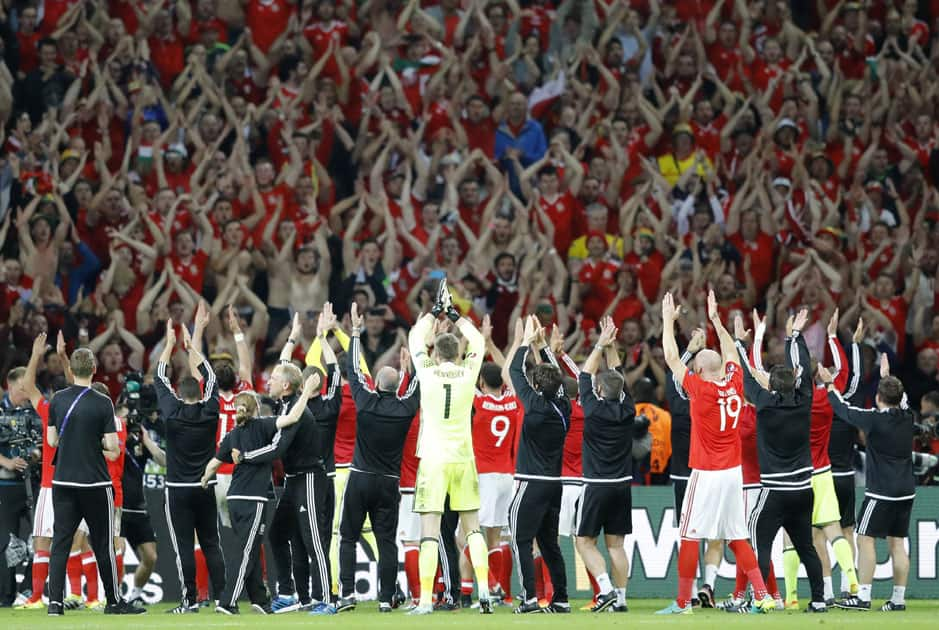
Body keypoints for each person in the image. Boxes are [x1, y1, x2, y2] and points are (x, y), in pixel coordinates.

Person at [657, 291, 773, 615]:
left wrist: (668, 321)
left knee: (690, 534)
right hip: (733, 472)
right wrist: (716, 321)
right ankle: (761, 595)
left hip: (706, 471)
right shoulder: (735, 382)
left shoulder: (701, 389)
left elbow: (669, 356)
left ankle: (683, 603)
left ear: (698, 369)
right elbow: (732, 352)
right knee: (737, 535)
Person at [406, 282, 492, 615]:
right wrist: (458, 314)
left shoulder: (426, 372)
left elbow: (415, 338)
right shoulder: (469, 373)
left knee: (429, 531)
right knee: (473, 528)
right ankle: (484, 593)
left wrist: (433, 313)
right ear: (457, 353)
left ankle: (426, 600)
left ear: (435, 353)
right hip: (463, 458)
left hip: (433, 460)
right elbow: (481, 343)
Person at [202, 374, 320, 615]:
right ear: (256, 409)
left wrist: (205, 480)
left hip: (234, 498)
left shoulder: (231, 435)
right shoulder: (264, 425)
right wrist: (307, 391)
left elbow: (213, 464)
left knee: (251, 547)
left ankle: (259, 599)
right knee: (247, 550)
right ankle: (227, 601)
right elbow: (293, 417)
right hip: (253, 499)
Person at [734, 309, 827, 613]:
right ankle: (819, 600)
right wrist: (795, 337)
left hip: (774, 491)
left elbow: (747, 376)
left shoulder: (764, 404)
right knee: (806, 547)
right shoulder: (804, 401)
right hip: (803, 489)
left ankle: (760, 598)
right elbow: (802, 367)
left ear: (770, 386)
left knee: (760, 544)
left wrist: (738, 344)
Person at [45, 347, 142, 616]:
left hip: (63, 481)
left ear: (72, 370)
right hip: (96, 484)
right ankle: (112, 601)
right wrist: (92, 442)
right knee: (103, 544)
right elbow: (112, 445)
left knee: (61, 543)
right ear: (94, 369)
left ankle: (54, 603)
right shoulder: (102, 403)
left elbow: (52, 441)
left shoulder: (57, 400)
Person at [336, 303, 420, 612]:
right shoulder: (405, 409)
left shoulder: (365, 402)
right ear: (397, 386)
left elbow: (354, 370)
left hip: (359, 477)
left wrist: (355, 332)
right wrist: (411, 363)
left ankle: (347, 595)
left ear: (376, 385)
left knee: (347, 537)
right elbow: (418, 386)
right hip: (389, 483)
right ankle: (386, 599)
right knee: (387, 542)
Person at [821, 355, 915, 612]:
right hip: (906, 492)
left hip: (881, 492)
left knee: (865, 539)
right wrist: (887, 377)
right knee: (897, 543)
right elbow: (900, 399)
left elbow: (843, 410)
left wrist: (829, 385)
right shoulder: (908, 417)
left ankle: (862, 597)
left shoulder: (874, 419)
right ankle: (898, 599)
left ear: (877, 397)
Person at [154, 321, 226, 614]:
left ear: (179, 394)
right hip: (204, 486)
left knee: (184, 545)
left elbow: (159, 377)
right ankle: (224, 600)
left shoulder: (171, 413)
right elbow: (212, 378)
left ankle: (190, 601)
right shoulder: (211, 411)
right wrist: (192, 347)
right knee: (211, 543)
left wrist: (170, 345)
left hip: (177, 490)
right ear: (199, 393)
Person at [507, 315, 572, 614]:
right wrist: (543, 348)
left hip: (529, 483)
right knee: (549, 544)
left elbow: (513, 370)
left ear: (535, 385)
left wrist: (525, 342)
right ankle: (560, 599)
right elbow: (555, 378)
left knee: (521, 540)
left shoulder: (533, 407)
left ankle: (529, 599)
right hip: (554, 485)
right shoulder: (564, 407)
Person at [575, 317, 635, 613]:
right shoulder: (628, 408)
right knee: (616, 545)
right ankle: (621, 599)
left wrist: (601, 343)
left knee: (584, 541)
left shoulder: (593, 409)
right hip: (622, 485)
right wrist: (612, 345)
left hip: (596, 485)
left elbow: (584, 375)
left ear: (599, 390)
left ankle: (607, 590)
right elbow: (619, 375)